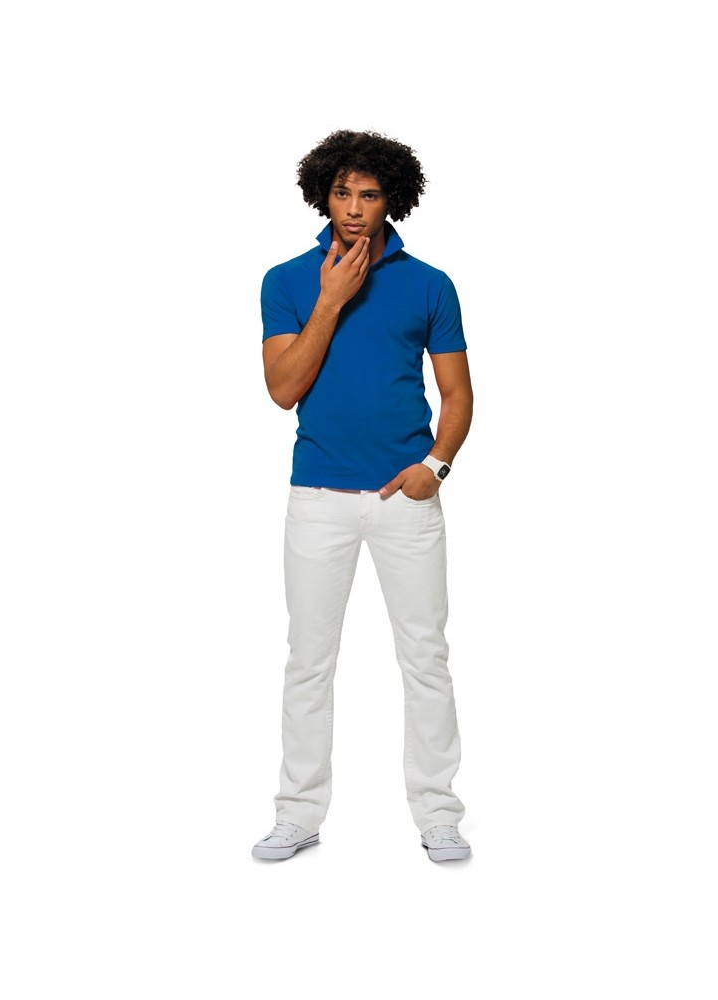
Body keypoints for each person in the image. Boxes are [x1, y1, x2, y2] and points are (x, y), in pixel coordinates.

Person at [252, 130, 474, 863]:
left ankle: (438, 814)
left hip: (406, 500)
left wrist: (434, 467)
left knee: (425, 657)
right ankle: (298, 813)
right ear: (323, 194)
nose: (353, 208)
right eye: (341, 192)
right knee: (309, 661)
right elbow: (283, 389)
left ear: (391, 201)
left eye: (369, 195)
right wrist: (331, 299)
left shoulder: (430, 284)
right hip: (318, 495)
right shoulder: (286, 280)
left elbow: (457, 393)